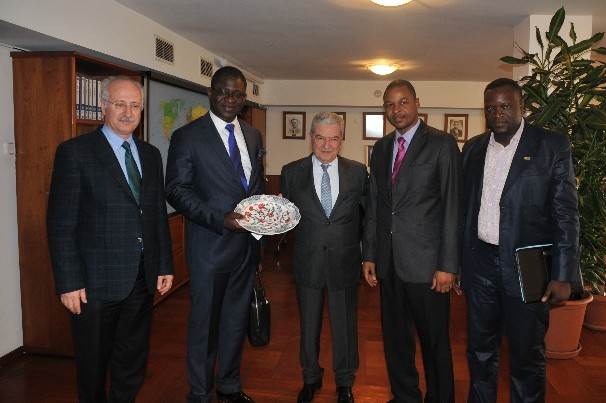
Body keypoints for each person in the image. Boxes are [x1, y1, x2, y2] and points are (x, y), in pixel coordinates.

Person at [47, 76, 174, 403]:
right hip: (94, 284)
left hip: (141, 277)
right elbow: (61, 224)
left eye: (135, 105)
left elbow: (156, 214)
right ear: (104, 106)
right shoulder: (75, 153)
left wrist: (164, 264)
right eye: (120, 104)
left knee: (132, 359)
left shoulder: (150, 155)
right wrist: (68, 282)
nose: (128, 112)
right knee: (93, 363)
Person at [461, 78, 580, 403]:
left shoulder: (550, 145)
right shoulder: (472, 149)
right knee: (479, 351)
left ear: (521, 106)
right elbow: (465, 209)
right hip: (480, 263)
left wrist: (563, 274)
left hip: (528, 265)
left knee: (527, 355)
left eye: (505, 106)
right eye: (490, 108)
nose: (497, 113)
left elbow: (566, 214)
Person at [166, 66, 264, 403]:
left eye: (237, 94)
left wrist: (266, 213)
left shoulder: (253, 135)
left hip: (246, 249)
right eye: (224, 91)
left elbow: (253, 187)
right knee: (205, 325)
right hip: (209, 247)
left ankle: (229, 386)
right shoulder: (188, 137)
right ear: (210, 93)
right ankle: (200, 393)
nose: (230, 99)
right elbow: (176, 190)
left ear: (244, 98)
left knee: (236, 322)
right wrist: (220, 219)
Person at [362, 79, 461, 403]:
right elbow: (375, 205)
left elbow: (452, 205)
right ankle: (404, 396)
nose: (397, 110)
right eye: (390, 104)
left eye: (403, 102)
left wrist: (448, 265)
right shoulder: (381, 149)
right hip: (389, 263)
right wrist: (370, 254)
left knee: (434, 341)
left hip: (428, 266)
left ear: (417, 103)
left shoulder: (442, 144)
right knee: (396, 340)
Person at [280, 112, 367, 403]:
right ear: (311, 138)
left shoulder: (358, 172)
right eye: (320, 138)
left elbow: (368, 218)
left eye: (333, 138)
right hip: (308, 262)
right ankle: (310, 378)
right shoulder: (291, 172)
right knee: (308, 326)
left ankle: (345, 382)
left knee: (345, 327)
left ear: (342, 140)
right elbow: (285, 219)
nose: (327, 145)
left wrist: (369, 256)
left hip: (345, 262)